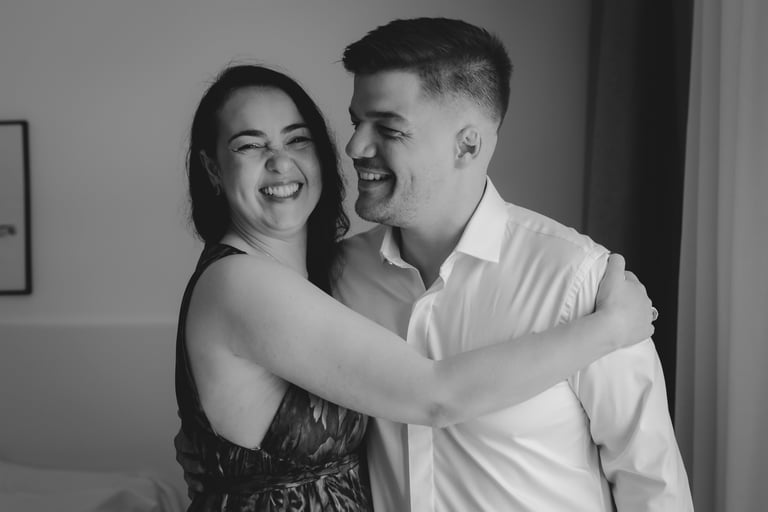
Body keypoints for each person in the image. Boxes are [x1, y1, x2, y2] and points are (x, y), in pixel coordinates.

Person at [174, 63, 656, 511]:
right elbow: (434, 396)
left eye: (297, 140)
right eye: (249, 145)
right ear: (213, 168)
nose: (280, 162)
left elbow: (649, 474)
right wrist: (611, 329)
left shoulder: (335, 275)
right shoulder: (240, 282)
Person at [335, 17, 693, 511]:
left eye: (389, 128)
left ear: (468, 144)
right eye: (357, 122)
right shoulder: (340, 277)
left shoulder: (579, 282)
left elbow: (654, 487)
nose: (355, 147)